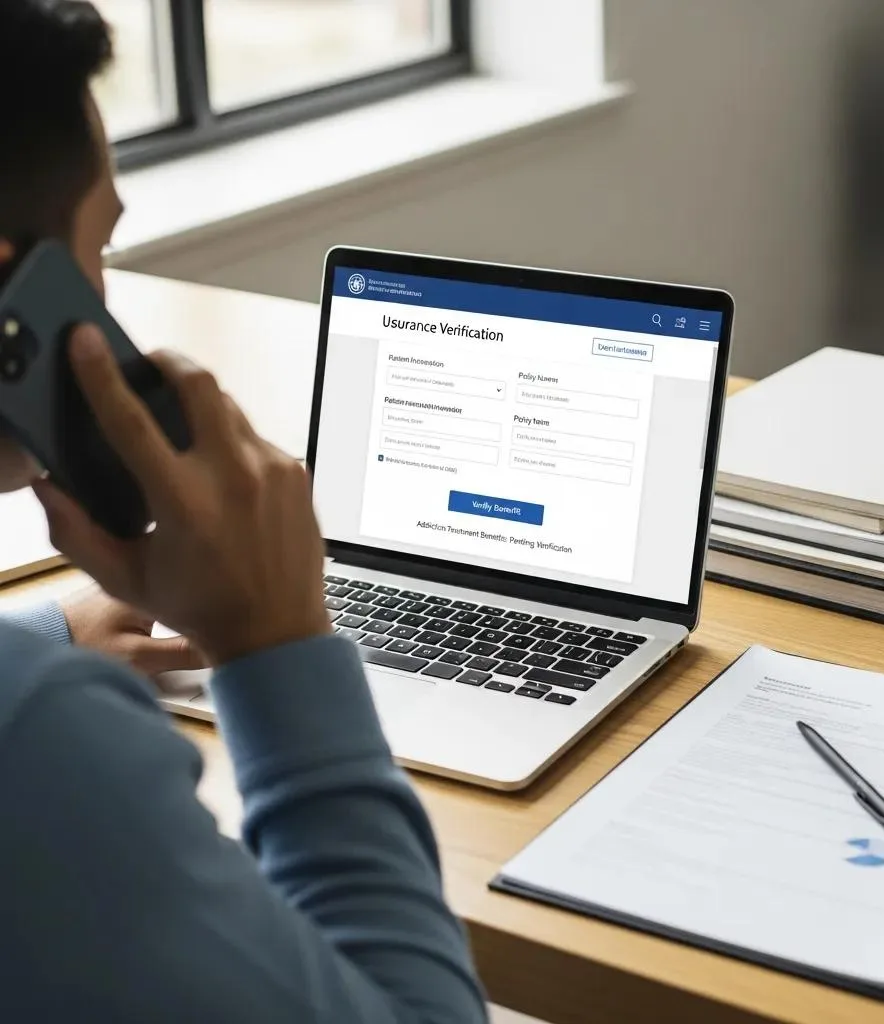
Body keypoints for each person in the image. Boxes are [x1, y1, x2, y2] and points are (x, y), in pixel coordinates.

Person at [0, 3, 488, 1021]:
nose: (104, 302)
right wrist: (278, 646)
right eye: (97, 251)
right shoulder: (39, 746)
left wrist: (43, 642)